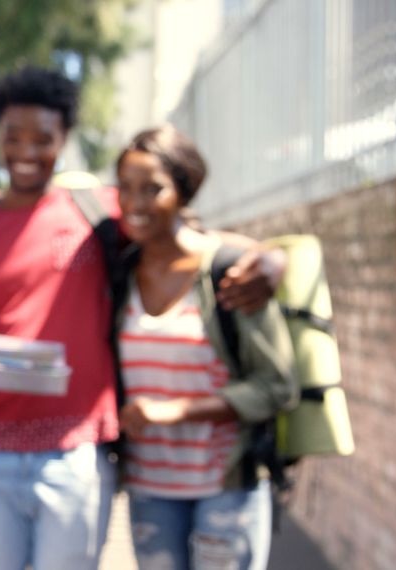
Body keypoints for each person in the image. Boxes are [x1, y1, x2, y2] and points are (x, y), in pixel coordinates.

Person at [0, 66, 279, 570]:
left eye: (42, 138)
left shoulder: (104, 212)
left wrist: (271, 261)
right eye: (14, 136)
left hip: (78, 455)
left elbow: (199, 247)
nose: (26, 151)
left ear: (63, 138)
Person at [114, 125, 297, 569]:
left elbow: (277, 387)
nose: (135, 204)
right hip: (150, 488)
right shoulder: (119, 272)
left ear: (183, 190)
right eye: (125, 188)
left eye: (152, 189)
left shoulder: (231, 275)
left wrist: (177, 409)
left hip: (225, 485)